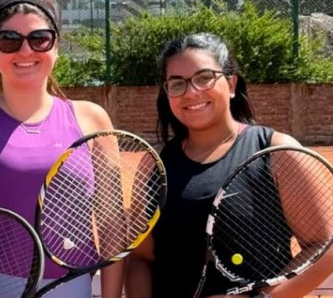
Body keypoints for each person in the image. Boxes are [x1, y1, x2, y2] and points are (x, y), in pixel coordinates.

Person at [0, 0, 124, 298]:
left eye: (39, 39)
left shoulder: (93, 119)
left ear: (56, 46)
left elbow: (113, 225)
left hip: (74, 287)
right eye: (10, 39)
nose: (25, 50)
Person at [124, 32, 333, 298]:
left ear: (231, 84)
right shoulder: (155, 166)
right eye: (177, 84)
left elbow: (325, 246)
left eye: (204, 78)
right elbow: (142, 258)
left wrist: (262, 297)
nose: (191, 92)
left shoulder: (276, 151)